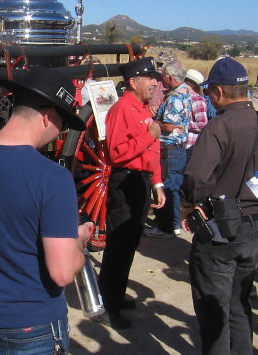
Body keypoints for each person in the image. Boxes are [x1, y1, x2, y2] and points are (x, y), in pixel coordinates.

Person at [0, 68, 93, 354]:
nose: (58, 133)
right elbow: (63, 272)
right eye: (62, 124)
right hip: (30, 326)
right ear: (47, 116)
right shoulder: (53, 177)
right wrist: (78, 241)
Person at [181, 57, 258, 355]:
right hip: (256, 225)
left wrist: (188, 206)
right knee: (239, 304)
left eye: (210, 92)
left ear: (219, 92)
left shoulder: (219, 126)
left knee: (213, 310)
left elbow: (196, 175)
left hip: (220, 227)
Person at [91, 57, 166, 329]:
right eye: (150, 79)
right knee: (119, 244)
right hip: (126, 182)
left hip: (141, 181)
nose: (155, 83)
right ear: (133, 82)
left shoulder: (143, 109)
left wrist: (157, 183)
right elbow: (116, 152)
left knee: (130, 242)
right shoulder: (123, 109)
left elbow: (152, 151)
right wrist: (151, 135)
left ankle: (116, 294)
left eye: (156, 79)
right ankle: (107, 306)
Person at [145, 60, 192, 238]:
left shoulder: (174, 98)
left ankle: (166, 227)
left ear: (170, 77)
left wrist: (154, 122)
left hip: (169, 148)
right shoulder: (186, 91)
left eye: (163, 75)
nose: (161, 79)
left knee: (166, 187)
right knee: (174, 185)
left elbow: (169, 126)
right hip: (179, 148)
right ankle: (173, 222)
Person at [184, 69, 209, 163]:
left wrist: (184, 124)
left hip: (190, 145)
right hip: (184, 144)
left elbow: (202, 124)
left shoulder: (197, 100)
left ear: (190, 84)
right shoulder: (185, 98)